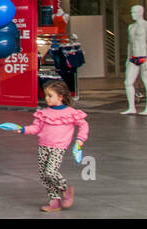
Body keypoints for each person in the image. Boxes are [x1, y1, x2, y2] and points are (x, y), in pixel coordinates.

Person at [7, 79, 89, 211]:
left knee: (51, 172)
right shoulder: (43, 113)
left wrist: (80, 139)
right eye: (46, 95)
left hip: (58, 147)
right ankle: (54, 200)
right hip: (43, 146)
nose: (47, 98)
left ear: (60, 97)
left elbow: (83, 125)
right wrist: (22, 129)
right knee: (44, 175)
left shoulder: (71, 112)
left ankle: (66, 189)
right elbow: (35, 128)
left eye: (50, 96)